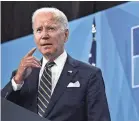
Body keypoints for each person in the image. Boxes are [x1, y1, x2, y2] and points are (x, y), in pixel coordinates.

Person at [1, 7, 111, 121]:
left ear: (66, 35)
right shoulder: (22, 76)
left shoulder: (89, 75)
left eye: (51, 28)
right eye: (39, 30)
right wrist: (17, 80)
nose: (44, 35)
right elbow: (2, 112)